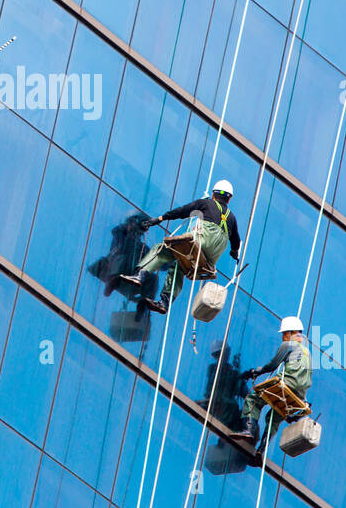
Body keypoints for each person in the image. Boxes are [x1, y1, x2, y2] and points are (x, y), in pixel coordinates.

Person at [122, 179, 240, 314]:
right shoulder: (232, 218)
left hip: (201, 242)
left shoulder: (205, 203)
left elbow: (182, 211)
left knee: (160, 249)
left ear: (213, 195)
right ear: (229, 199)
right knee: (179, 266)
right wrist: (234, 253)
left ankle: (140, 275)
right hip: (212, 257)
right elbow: (236, 241)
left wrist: (159, 219)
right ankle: (165, 302)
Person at [231, 315, 312, 456]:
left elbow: (272, 365)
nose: (283, 337)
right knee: (274, 418)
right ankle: (261, 450)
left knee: (253, 399)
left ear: (290, 333)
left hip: (287, 383)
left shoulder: (288, 345)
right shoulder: (307, 352)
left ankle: (248, 430)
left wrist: (256, 371)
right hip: (298, 395)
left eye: (284, 334)